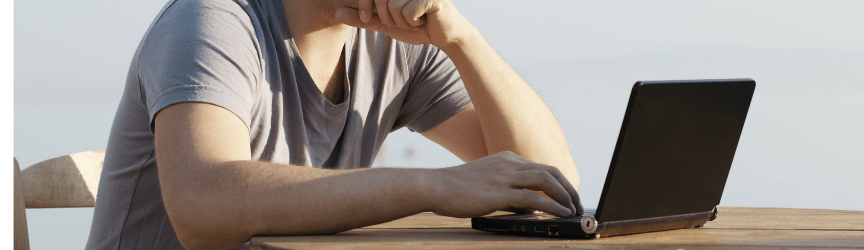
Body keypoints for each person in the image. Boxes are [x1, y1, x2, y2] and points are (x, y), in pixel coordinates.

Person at [86, 0, 583, 249]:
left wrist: (463, 40)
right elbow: (202, 205)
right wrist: (434, 186)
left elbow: (550, 184)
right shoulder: (212, 21)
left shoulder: (398, 43)